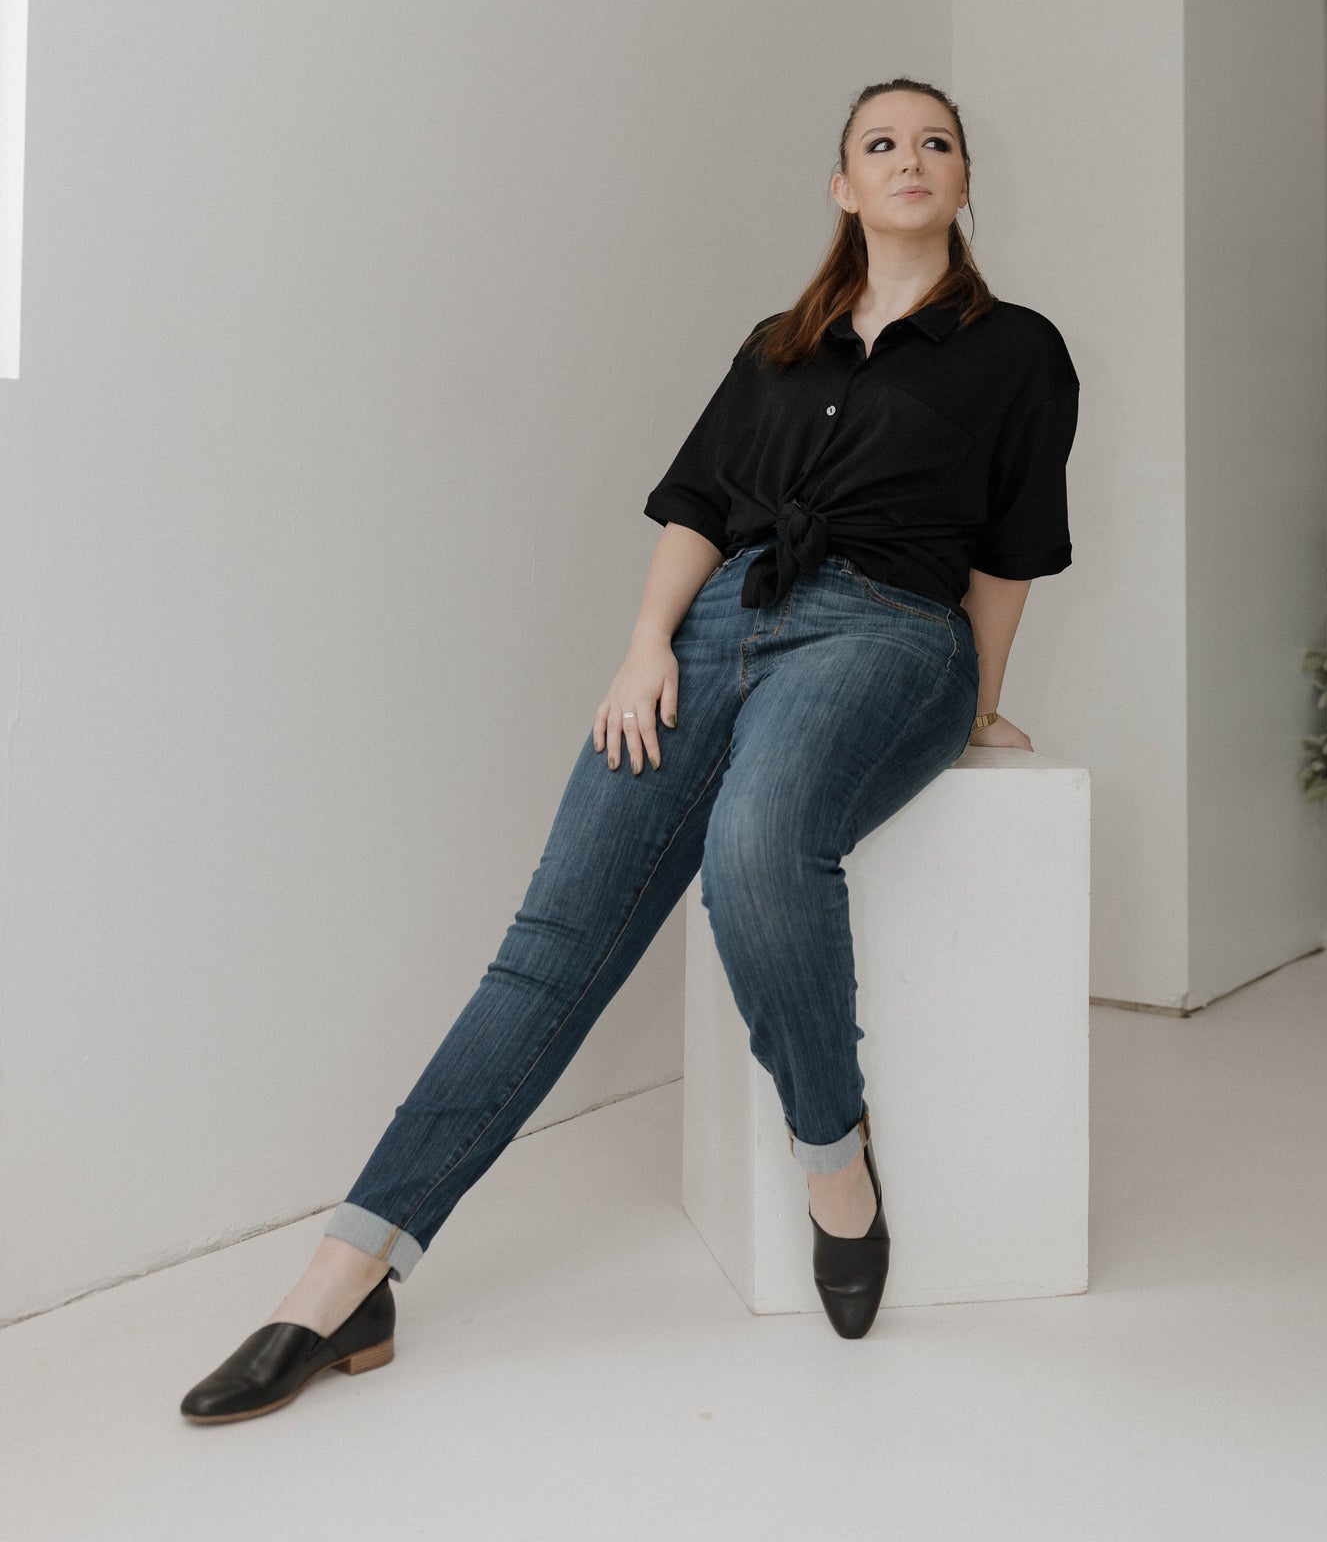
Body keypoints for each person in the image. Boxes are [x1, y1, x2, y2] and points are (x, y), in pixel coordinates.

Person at [180, 76, 1079, 1422]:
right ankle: (343, 1276)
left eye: (933, 144)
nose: (909, 159)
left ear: (963, 180)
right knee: (550, 946)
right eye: (879, 144)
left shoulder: (1017, 350)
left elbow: (1009, 554)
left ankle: (833, 1160)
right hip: (721, 622)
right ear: (841, 185)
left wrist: (974, 702)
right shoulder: (778, 344)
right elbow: (699, 509)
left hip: (890, 631)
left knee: (757, 850)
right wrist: (644, 645)